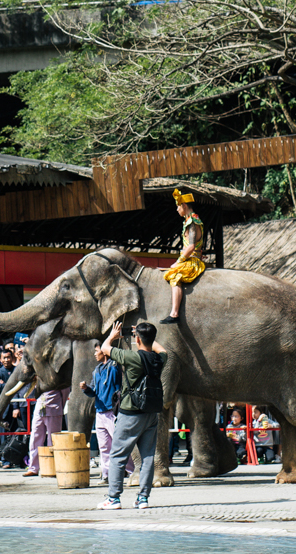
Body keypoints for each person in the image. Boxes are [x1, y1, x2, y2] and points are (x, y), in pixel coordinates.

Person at [98, 321, 167, 510]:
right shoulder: (160, 359)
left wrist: (113, 335)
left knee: (118, 456)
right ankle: (143, 498)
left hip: (130, 413)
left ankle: (113, 498)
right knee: (147, 457)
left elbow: (105, 348)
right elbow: (161, 348)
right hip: (151, 414)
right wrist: (147, 336)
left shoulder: (131, 357)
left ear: (136, 339)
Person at [79, 340, 132, 484]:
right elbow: (94, 391)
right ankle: (106, 474)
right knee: (104, 446)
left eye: (97, 351)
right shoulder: (96, 370)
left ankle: (131, 471)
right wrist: (86, 389)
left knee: (119, 443)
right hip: (100, 411)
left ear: (104, 351)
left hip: (112, 411)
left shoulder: (114, 367)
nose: (95, 354)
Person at [161, 189, 205, 324]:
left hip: (191, 261)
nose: (177, 210)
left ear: (184, 206)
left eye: (178, 206)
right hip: (193, 258)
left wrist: (178, 262)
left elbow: (191, 247)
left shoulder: (192, 222)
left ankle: (174, 314)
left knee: (174, 276)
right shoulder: (194, 220)